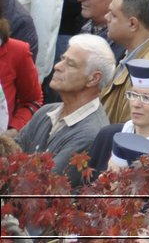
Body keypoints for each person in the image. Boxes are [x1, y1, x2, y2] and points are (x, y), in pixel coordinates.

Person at [15, 35, 114, 181]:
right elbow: (11, 156)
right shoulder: (45, 112)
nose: (57, 66)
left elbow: (44, 186)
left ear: (93, 78)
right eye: (62, 59)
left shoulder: (90, 135)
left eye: (71, 64)